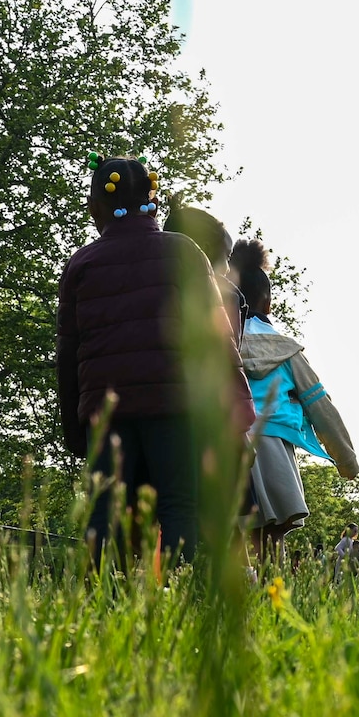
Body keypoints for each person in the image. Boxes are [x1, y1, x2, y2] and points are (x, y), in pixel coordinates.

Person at [58, 153, 242, 565]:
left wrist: (74, 427)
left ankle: (105, 605)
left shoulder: (81, 264)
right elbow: (217, 335)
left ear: (94, 207)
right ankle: (186, 602)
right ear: (152, 199)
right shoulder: (185, 253)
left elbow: (67, 353)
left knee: (105, 513)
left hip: (106, 414)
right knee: (180, 507)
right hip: (175, 408)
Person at [238, 265, 359, 557]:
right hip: (275, 443)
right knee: (273, 533)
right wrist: (346, 461)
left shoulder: (221, 341)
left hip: (228, 438)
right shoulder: (287, 351)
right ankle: (271, 599)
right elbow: (319, 404)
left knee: (233, 533)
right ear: (268, 302)